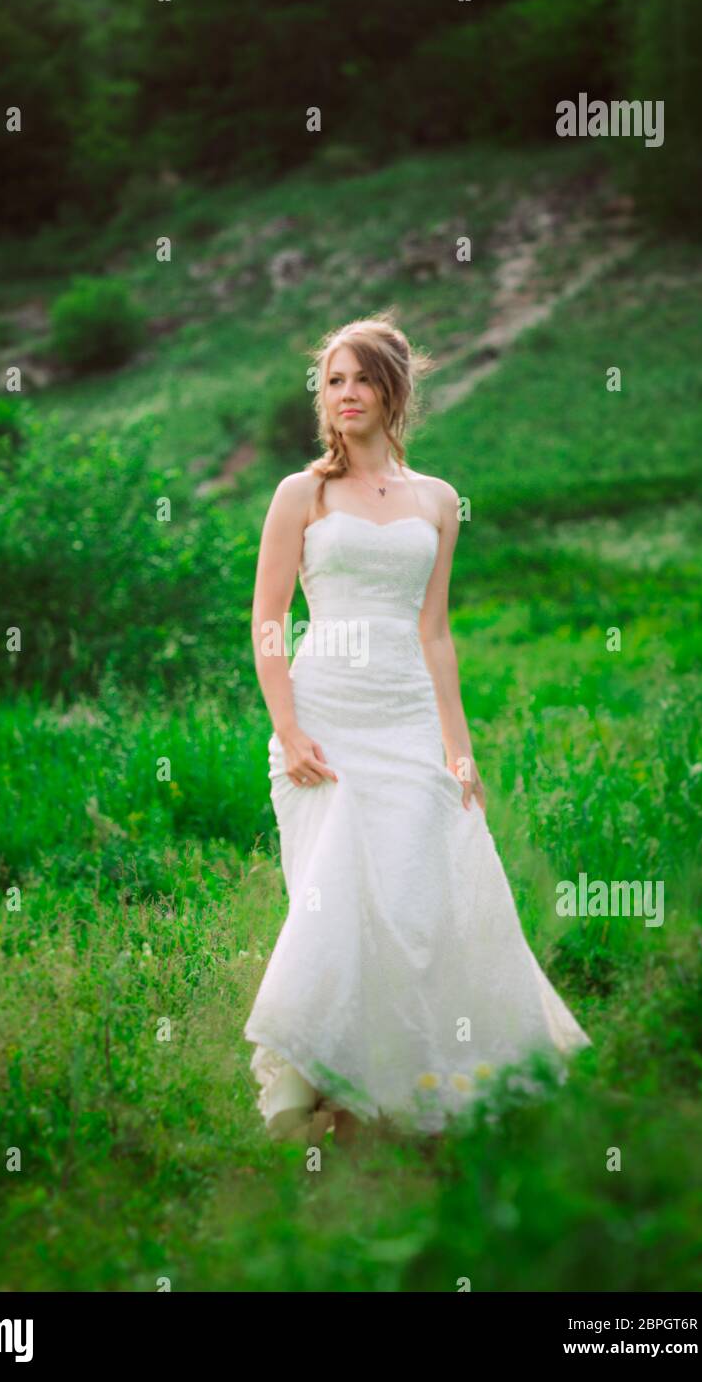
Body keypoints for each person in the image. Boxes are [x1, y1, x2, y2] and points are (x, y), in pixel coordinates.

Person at [244, 312, 591, 1146]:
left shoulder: (437, 501)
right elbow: (265, 621)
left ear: (393, 389)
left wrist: (459, 748)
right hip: (324, 723)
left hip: (406, 722)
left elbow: (436, 633)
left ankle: (415, 1087)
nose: (346, 393)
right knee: (333, 900)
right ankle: (312, 1087)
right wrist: (289, 730)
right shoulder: (302, 494)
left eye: (362, 377)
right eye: (333, 380)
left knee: (415, 901)